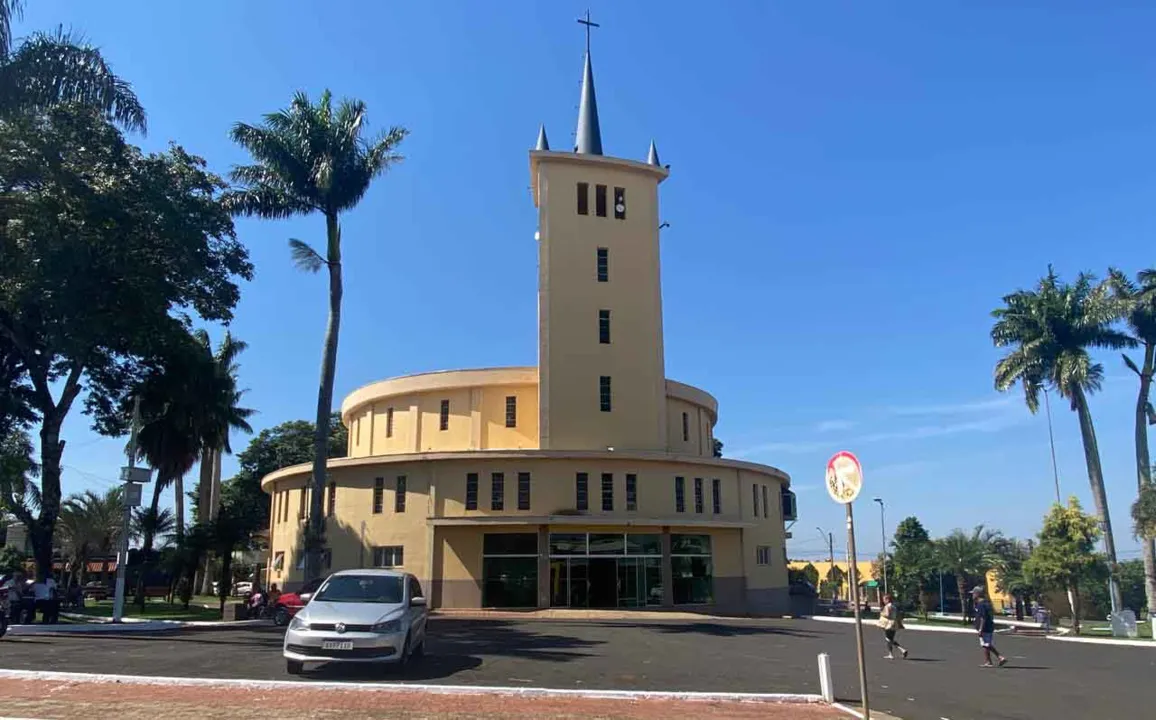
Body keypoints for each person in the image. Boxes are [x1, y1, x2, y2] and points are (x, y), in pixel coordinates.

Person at [972, 586, 1007, 667]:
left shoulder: (981, 605)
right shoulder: (987, 603)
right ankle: (989, 661)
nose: (972, 595)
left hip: (985, 628)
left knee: (986, 644)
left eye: (973, 594)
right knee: (985, 645)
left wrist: (980, 629)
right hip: (989, 626)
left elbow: (983, 618)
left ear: (977, 594)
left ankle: (1000, 657)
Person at [878, 593, 909, 659]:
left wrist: (882, 613)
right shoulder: (894, 607)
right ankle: (892, 653)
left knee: (888, 639)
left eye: (884, 599)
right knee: (890, 639)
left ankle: (900, 650)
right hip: (894, 624)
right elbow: (898, 616)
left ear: (887, 599)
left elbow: (887, 614)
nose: (883, 601)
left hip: (888, 624)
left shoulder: (887, 606)